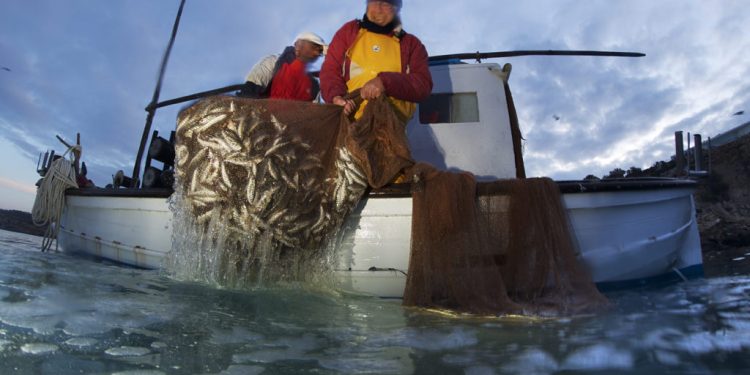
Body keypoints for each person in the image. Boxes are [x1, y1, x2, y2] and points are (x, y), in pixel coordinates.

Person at [320, 0, 432, 122]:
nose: (378, 9)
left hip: (391, 127)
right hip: (350, 123)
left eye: (385, 4)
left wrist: (385, 82)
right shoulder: (348, 32)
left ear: (397, 8)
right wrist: (336, 97)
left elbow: (423, 85)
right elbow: (330, 70)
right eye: (374, 2)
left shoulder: (411, 44)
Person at [238, 32, 328, 101]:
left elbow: (314, 114)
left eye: (319, 52)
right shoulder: (272, 62)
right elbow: (249, 91)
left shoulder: (313, 83)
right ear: (298, 45)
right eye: (313, 47)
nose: (316, 53)